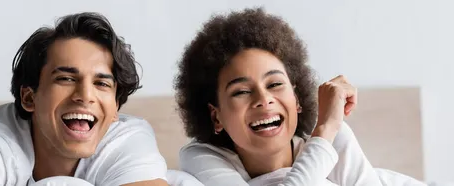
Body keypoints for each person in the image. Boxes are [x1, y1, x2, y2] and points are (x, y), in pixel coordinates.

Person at [174, 7, 422, 186]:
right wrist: (324, 132)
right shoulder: (200, 156)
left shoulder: (335, 136)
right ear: (215, 116)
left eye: (275, 84)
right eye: (241, 91)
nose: (263, 99)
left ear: (298, 99)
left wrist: (328, 131)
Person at [0, 12, 169, 186]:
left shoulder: (128, 138)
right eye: (66, 79)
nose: (85, 96)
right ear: (29, 97)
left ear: (115, 108)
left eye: (101, 83)